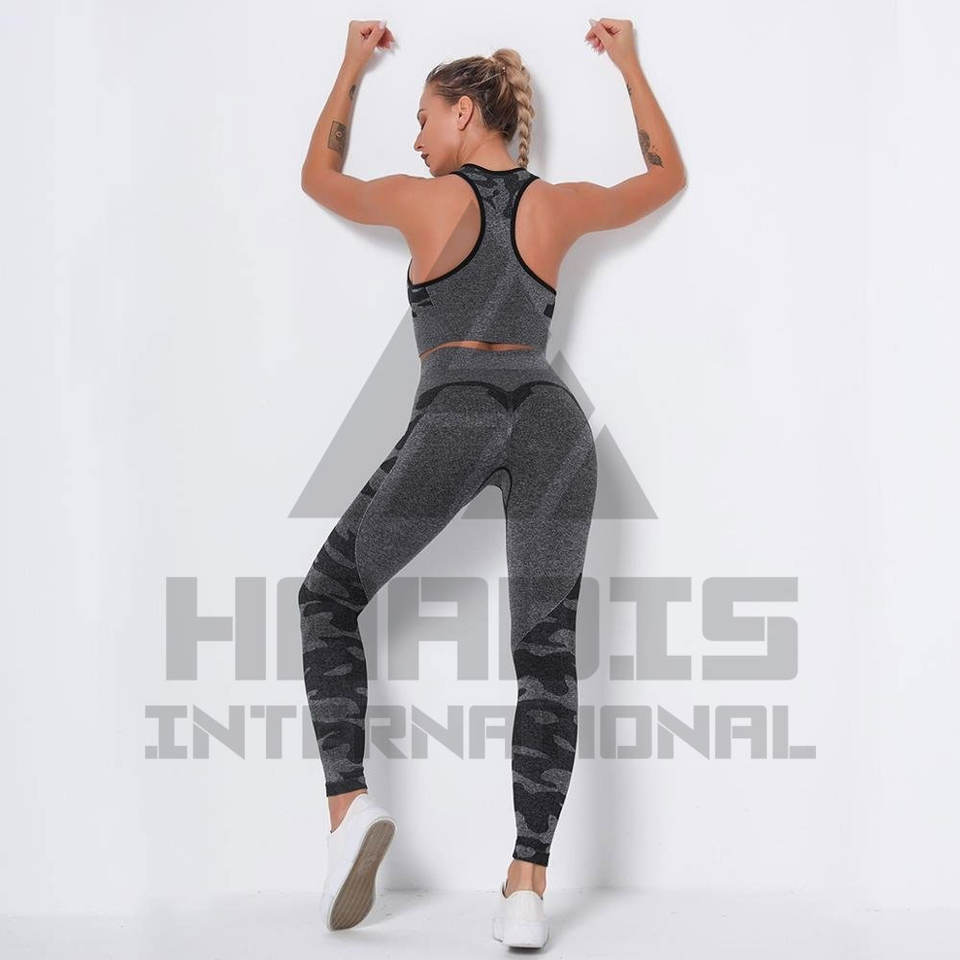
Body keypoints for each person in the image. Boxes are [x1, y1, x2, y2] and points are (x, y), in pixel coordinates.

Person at [297, 16, 687, 946]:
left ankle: (348, 812)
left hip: (459, 410)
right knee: (546, 655)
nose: (417, 138)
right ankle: (527, 885)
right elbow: (665, 176)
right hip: (555, 422)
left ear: (465, 113)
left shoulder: (426, 201)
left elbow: (319, 177)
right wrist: (630, 65)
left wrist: (349, 65)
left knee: (326, 597)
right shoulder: (559, 207)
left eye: (424, 117)